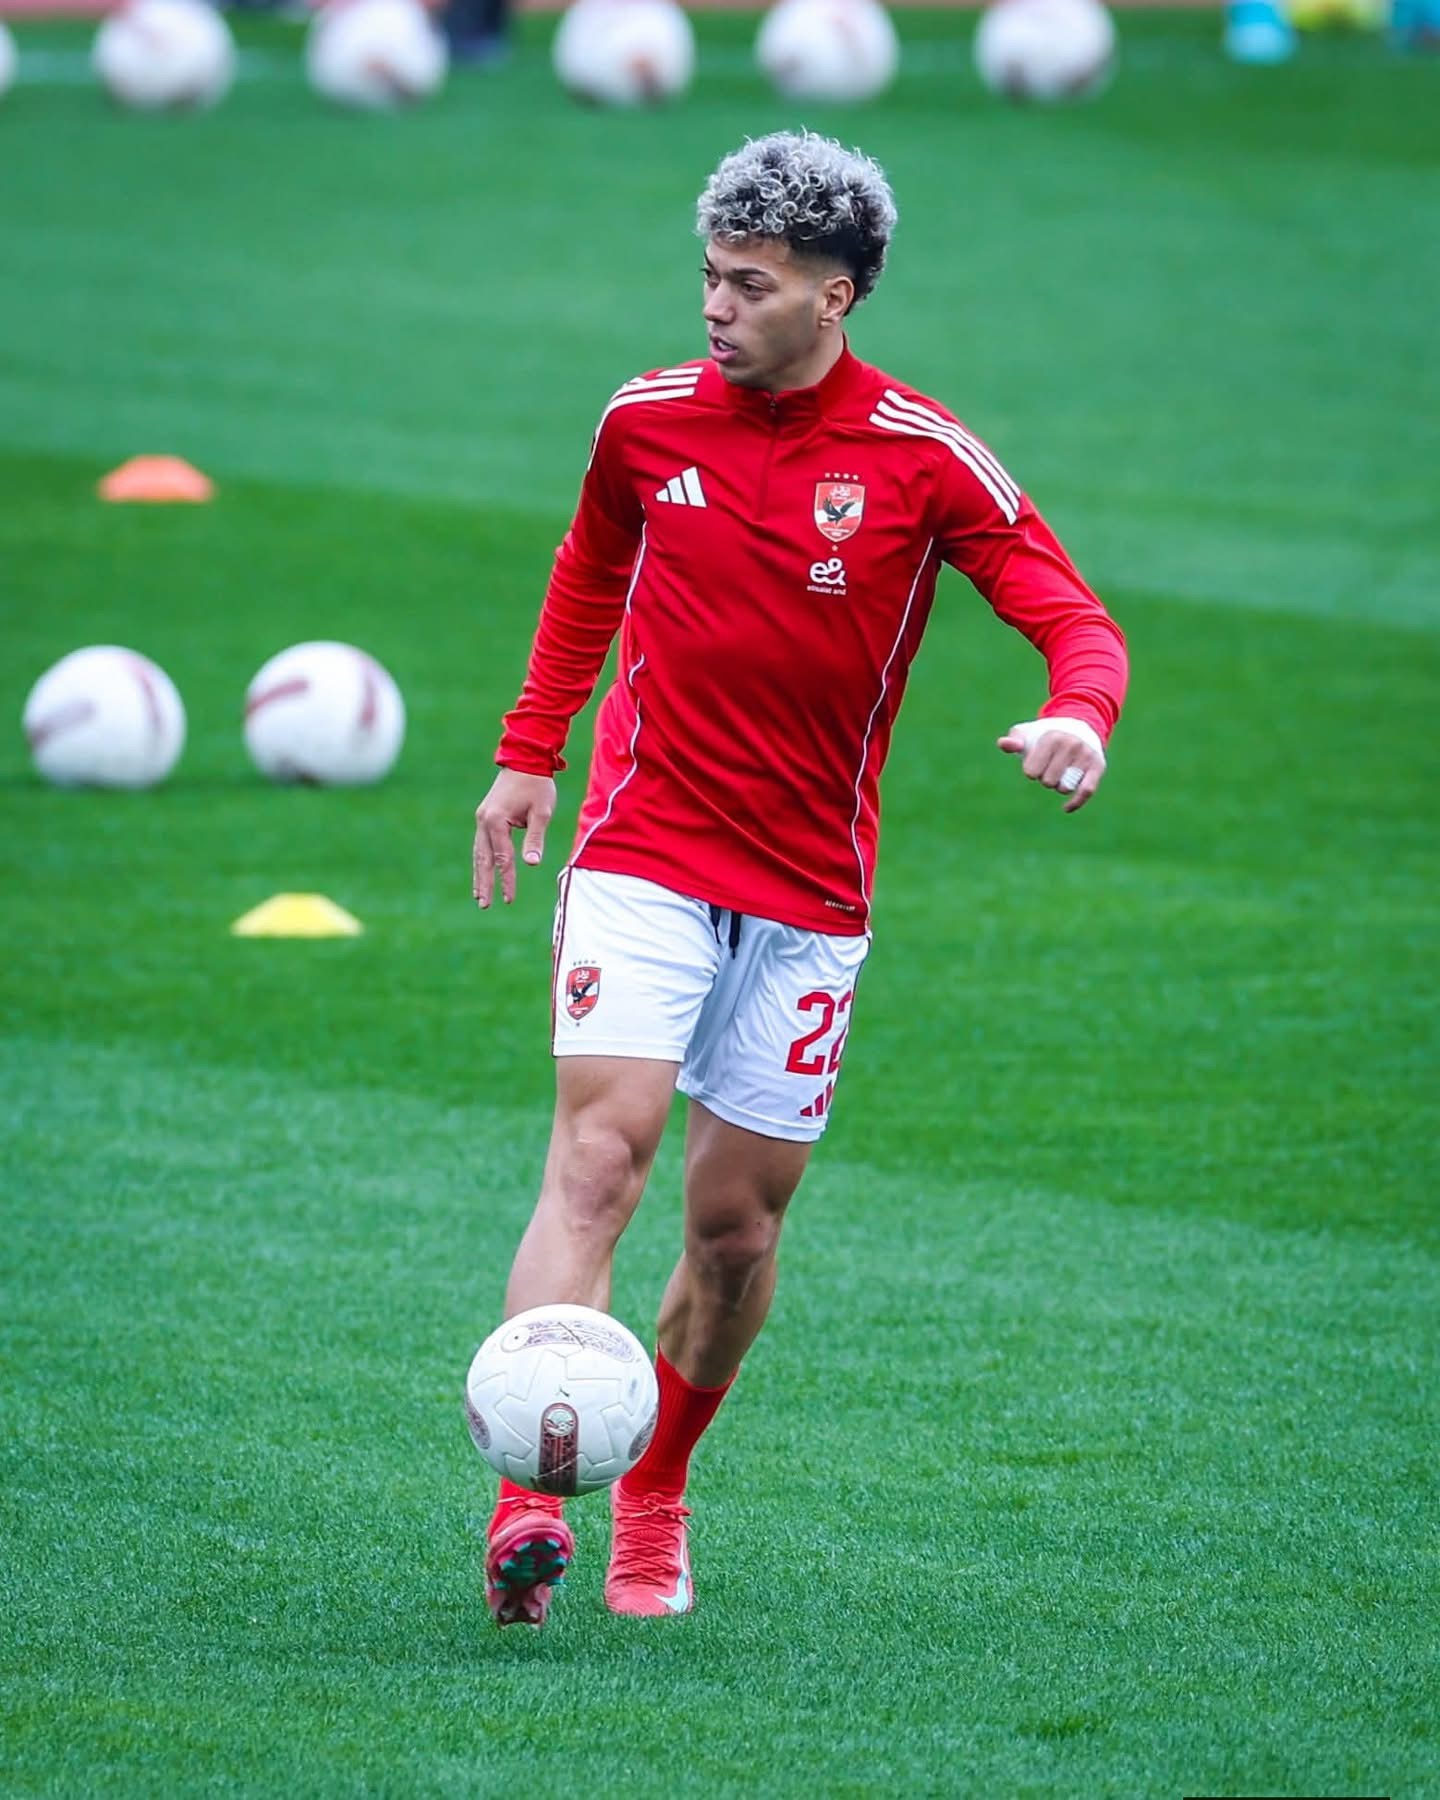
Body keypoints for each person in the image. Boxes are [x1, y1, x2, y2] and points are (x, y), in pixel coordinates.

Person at [471, 129, 1128, 1628]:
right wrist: (529, 749)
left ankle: (655, 1491)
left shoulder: (919, 453)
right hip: (643, 845)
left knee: (735, 1233)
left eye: (751, 285)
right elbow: (588, 572)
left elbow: (1070, 613)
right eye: (709, 275)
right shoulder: (644, 423)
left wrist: (1080, 714)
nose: (716, 306)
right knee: (599, 1159)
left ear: (835, 296)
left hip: (808, 891)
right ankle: (531, 1498)